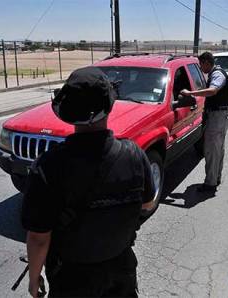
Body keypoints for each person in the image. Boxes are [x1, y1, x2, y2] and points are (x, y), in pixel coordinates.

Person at [21, 66, 156, 297]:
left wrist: (34, 279)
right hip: (119, 271)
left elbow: (38, 238)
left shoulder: (49, 165)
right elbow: (147, 204)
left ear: (68, 110)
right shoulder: (134, 154)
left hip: (72, 278)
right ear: (109, 106)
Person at [180, 52, 228, 192]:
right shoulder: (216, 72)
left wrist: (190, 93)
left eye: (201, 64)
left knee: (211, 150)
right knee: (217, 149)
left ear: (207, 62)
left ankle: (210, 184)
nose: (201, 68)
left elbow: (213, 91)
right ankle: (215, 178)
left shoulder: (217, 75)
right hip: (219, 115)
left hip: (218, 116)